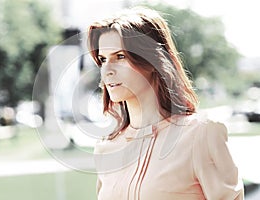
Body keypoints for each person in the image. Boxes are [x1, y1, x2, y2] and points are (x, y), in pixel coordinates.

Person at [87, 6, 244, 200]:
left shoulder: (201, 135)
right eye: (103, 59)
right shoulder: (106, 148)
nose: (107, 70)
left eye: (120, 56)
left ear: (152, 61)